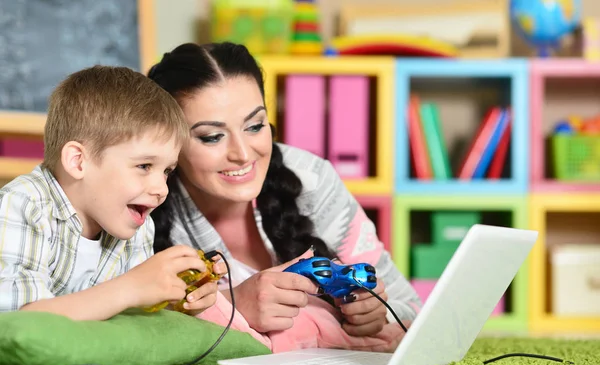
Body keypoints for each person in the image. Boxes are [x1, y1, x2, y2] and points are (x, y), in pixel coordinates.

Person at [147, 42, 422, 338]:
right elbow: (121, 326)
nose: (242, 153)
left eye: (254, 126)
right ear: (170, 141)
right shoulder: (142, 203)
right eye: (212, 137)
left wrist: (377, 314)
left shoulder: (311, 180)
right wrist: (232, 306)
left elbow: (412, 308)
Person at [0, 65, 224, 320]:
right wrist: (130, 288)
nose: (162, 190)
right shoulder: (23, 205)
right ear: (78, 162)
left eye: (167, 171)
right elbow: (18, 322)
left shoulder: (136, 225)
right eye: (144, 166)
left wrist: (177, 300)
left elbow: (130, 318)